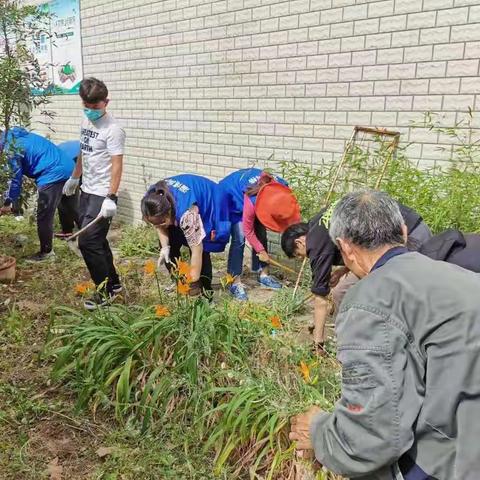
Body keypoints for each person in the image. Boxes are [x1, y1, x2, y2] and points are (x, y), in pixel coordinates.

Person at [289, 190, 480, 480]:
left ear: (345, 247)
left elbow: (373, 438)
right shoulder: (462, 275)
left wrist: (319, 431)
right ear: (403, 232)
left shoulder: (370, 301)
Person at [281, 200, 430, 350]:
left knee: (391, 293)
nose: (304, 259)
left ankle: (395, 344)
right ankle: (350, 337)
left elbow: (320, 299)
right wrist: (341, 271)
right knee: (341, 291)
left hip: (408, 236)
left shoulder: (315, 243)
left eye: (298, 255)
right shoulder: (319, 223)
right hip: (405, 227)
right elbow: (357, 246)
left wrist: (318, 342)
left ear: (299, 242)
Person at [62, 78, 126, 310]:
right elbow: (83, 150)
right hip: (87, 190)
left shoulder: (113, 130)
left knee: (87, 242)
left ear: (106, 102)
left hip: (102, 194)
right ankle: (115, 284)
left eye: (95, 107)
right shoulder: (86, 121)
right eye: (86, 107)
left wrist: (111, 196)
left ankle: (105, 292)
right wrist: (75, 176)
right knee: (97, 240)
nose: (90, 111)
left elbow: (117, 164)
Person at [141, 174, 231, 297]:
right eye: (154, 223)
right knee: (171, 250)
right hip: (178, 206)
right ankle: (180, 285)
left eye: (162, 222)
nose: (158, 226)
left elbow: (197, 249)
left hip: (210, 201)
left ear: (169, 212)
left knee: (202, 252)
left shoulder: (188, 214)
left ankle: (206, 293)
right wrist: (165, 247)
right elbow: (159, 225)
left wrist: (193, 281)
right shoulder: (152, 200)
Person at [219, 168, 301, 301]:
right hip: (232, 198)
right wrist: (261, 250)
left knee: (261, 233)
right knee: (239, 239)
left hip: (254, 197)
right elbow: (248, 230)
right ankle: (235, 282)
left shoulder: (282, 189)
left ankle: (262, 274)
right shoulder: (251, 200)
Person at [0, 127, 75, 262]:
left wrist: (7, 203)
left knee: (44, 214)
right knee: (69, 206)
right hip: (68, 166)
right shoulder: (12, 136)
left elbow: (14, 178)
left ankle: (47, 253)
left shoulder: (9, 148)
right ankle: (91, 240)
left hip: (52, 172)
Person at [55, 140, 81, 238]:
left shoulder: (54, 158)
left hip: (77, 161)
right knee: (62, 200)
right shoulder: (52, 153)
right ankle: (67, 230)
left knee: (71, 200)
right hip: (71, 161)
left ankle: (84, 231)